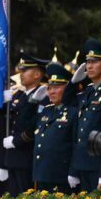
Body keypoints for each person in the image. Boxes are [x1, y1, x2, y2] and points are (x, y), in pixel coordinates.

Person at [2, 53, 48, 195]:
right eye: (21, 70)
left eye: (25, 70)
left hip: (27, 156)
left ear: (37, 74)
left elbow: (36, 125)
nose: (21, 74)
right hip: (13, 157)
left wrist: (17, 141)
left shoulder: (42, 97)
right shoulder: (21, 95)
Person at [34, 63, 77, 192]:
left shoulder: (73, 112)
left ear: (67, 88)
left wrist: (73, 171)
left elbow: (76, 144)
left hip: (61, 175)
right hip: (42, 173)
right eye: (50, 88)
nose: (51, 92)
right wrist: (31, 102)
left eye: (57, 87)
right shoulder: (47, 110)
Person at [69, 38, 101, 192]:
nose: (89, 66)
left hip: (98, 166)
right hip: (83, 164)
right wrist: (73, 83)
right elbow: (67, 103)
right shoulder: (89, 92)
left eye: (95, 61)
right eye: (88, 62)